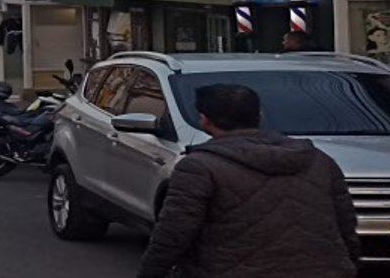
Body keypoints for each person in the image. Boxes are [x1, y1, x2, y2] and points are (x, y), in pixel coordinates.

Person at [137, 83, 359, 278]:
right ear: (259, 116)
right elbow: (346, 224)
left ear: (205, 120)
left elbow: (173, 234)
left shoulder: (198, 167)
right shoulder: (318, 160)